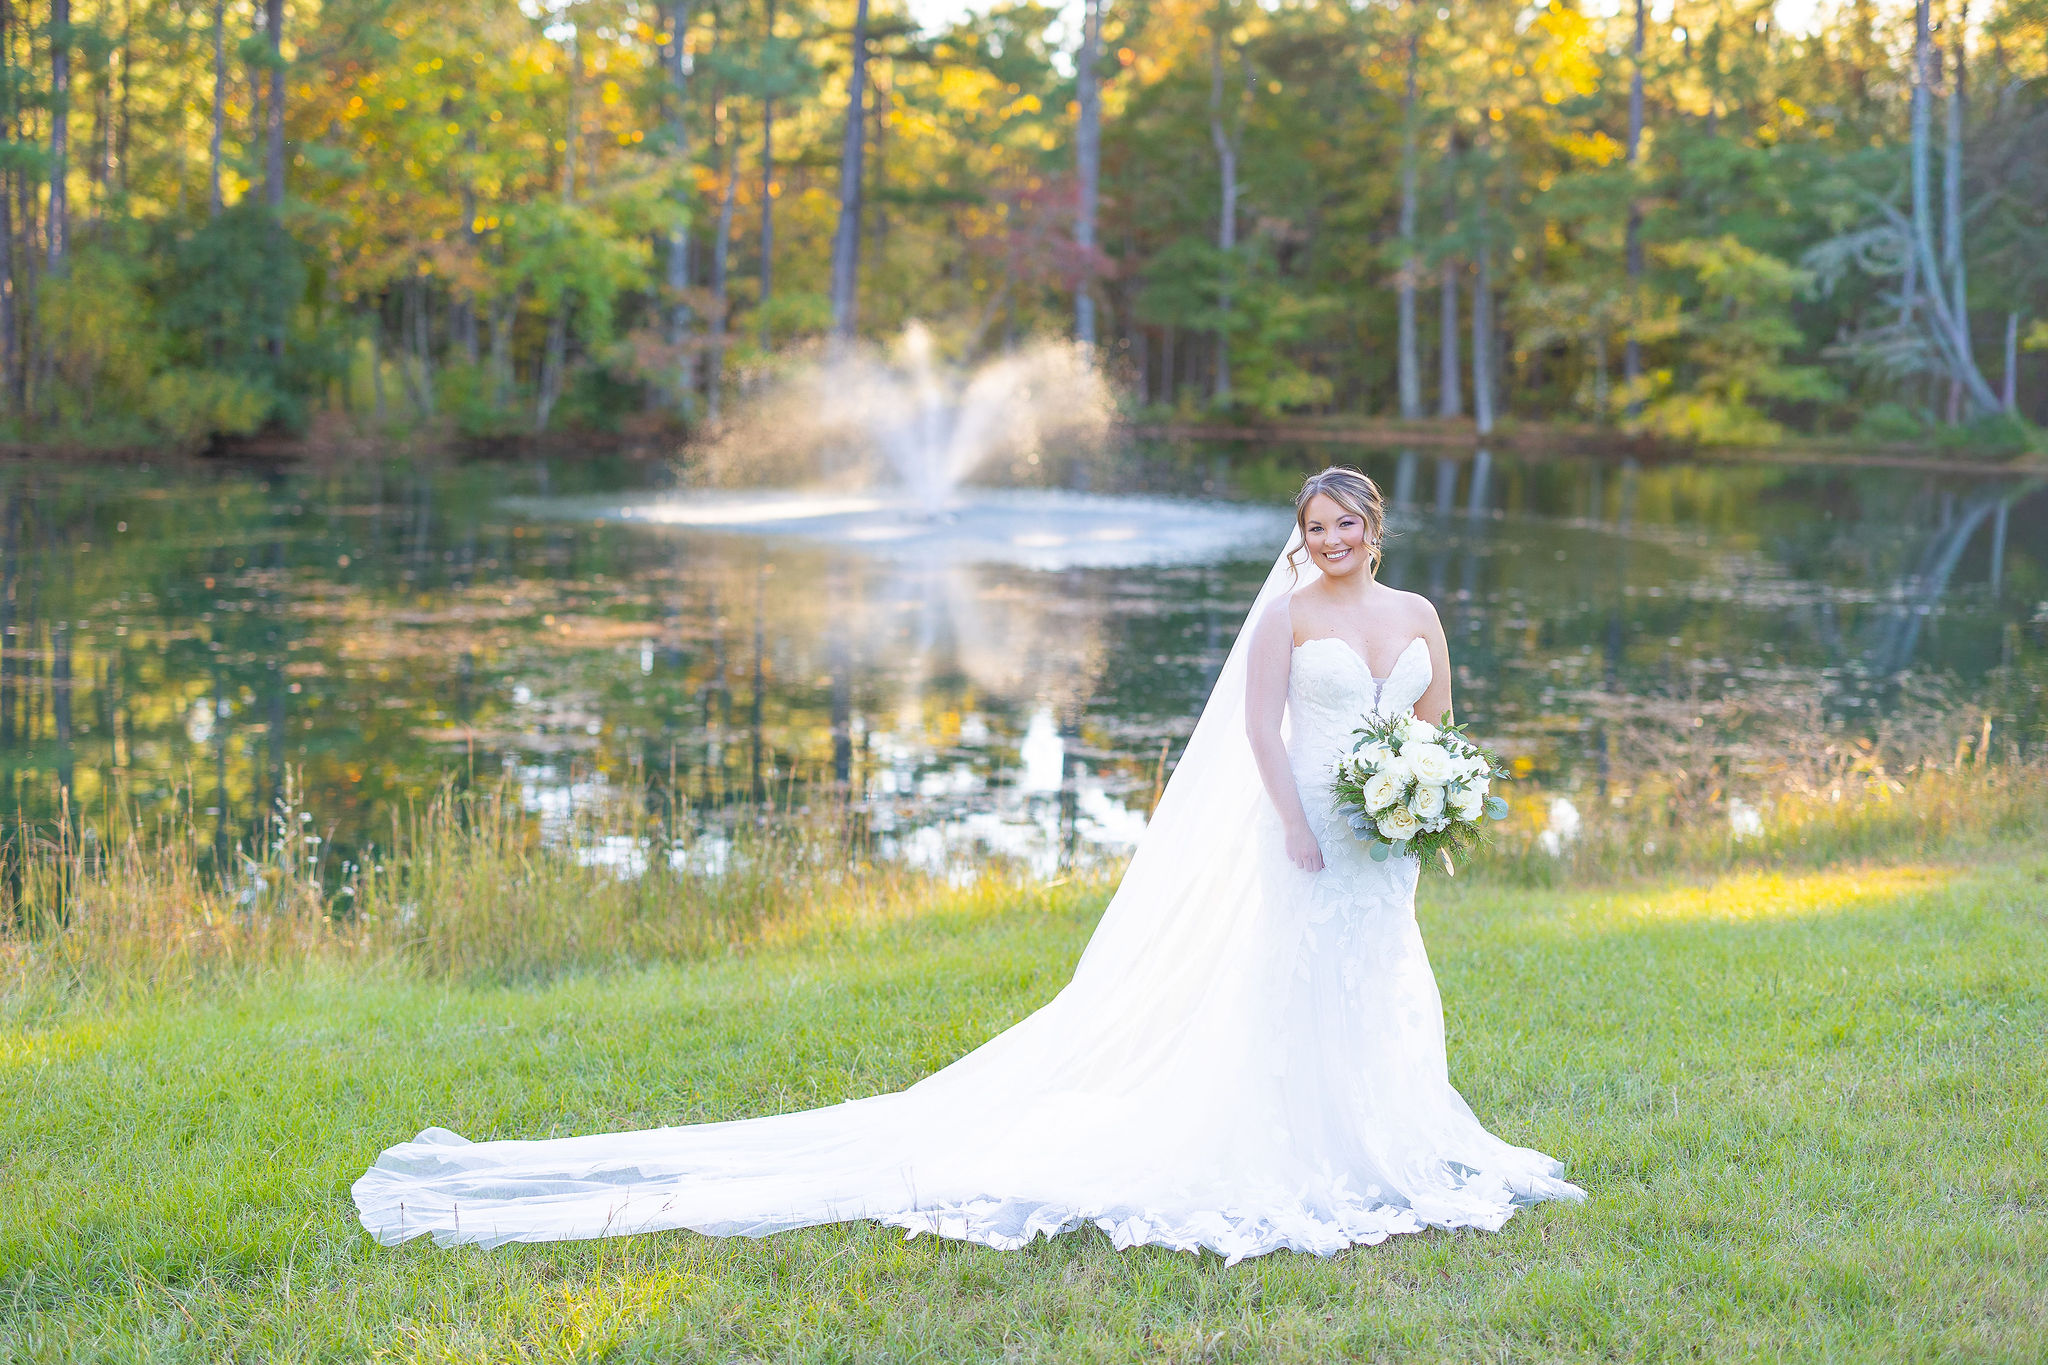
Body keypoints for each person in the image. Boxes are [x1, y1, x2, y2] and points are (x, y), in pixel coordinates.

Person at [354, 466, 1583, 1263]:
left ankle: (1390, 1131)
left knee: (1379, 979)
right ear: (1300, 539)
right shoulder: (1288, 615)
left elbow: (1433, 728)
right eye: (1312, 528)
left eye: (1345, 525)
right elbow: (1260, 730)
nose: (1327, 542)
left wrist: (1428, 800)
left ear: (1377, 529)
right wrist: (1304, 822)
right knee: (1293, 980)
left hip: (1389, 838)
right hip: (1307, 825)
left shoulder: (1415, 613)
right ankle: (1297, 1147)